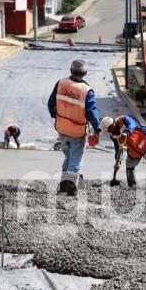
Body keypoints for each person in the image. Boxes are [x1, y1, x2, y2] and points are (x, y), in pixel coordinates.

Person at [48, 59, 101, 196]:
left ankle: (64, 186)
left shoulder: (61, 83)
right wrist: (97, 129)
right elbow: (92, 113)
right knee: (76, 159)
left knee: (69, 156)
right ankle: (71, 187)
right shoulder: (87, 90)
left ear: (71, 70)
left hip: (62, 128)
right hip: (77, 131)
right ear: (85, 73)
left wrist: (58, 116)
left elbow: (50, 104)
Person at [101, 115, 146, 189]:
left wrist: (126, 133)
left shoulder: (124, 119)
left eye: (110, 129)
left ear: (113, 124)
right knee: (129, 165)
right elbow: (118, 147)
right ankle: (132, 186)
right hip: (134, 149)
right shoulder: (113, 135)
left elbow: (132, 124)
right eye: (108, 131)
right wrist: (119, 161)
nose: (110, 132)